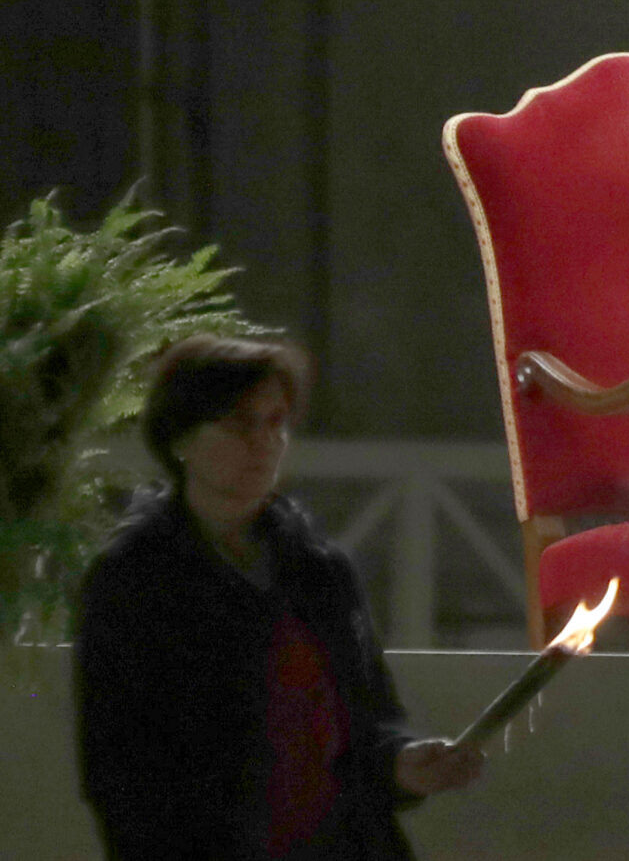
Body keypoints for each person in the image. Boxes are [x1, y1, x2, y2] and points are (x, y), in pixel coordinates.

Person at [75, 335, 482, 859]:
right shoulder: (134, 577)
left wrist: (404, 763)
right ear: (181, 439)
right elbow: (120, 774)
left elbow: (367, 722)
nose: (265, 441)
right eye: (242, 422)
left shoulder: (317, 568)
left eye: (276, 422)